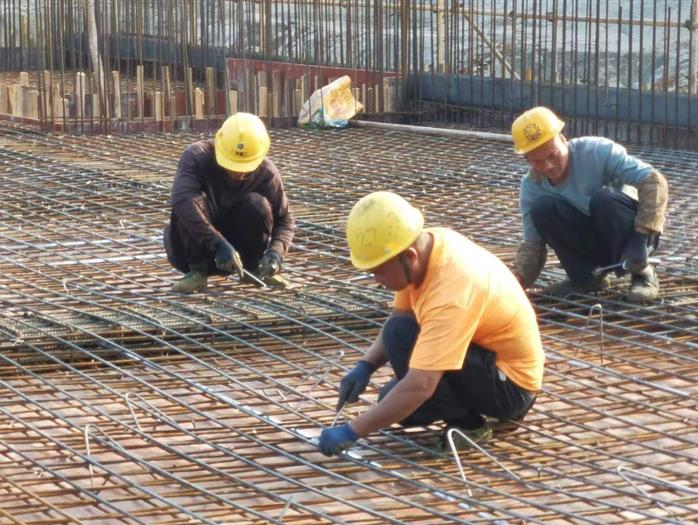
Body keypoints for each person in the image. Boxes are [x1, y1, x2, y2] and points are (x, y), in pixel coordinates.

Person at [318, 191, 545, 457]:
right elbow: (400, 320)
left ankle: (469, 426)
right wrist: (366, 365)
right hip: (482, 360)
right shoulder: (426, 250)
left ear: (409, 256)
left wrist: (353, 431)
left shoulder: (451, 291)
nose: (376, 280)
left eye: (378, 271)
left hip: (511, 387)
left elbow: (422, 384)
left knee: (407, 377)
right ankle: (456, 409)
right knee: (393, 396)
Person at [510, 106, 668, 302]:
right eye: (537, 161)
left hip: (634, 236)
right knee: (543, 208)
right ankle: (586, 278)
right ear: (527, 159)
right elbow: (533, 245)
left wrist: (641, 236)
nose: (548, 166)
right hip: (594, 243)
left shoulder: (596, 151)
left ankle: (643, 273)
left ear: (563, 139)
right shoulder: (532, 187)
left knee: (603, 199)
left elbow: (654, 181)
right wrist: (516, 281)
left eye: (553, 155)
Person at [165, 112, 295, 293]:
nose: (238, 173)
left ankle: (252, 269)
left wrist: (276, 252)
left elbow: (284, 219)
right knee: (188, 204)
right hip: (192, 252)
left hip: (239, 256)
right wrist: (218, 243)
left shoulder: (266, 173)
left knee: (258, 204)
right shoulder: (196, 157)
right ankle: (198, 272)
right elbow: (182, 202)